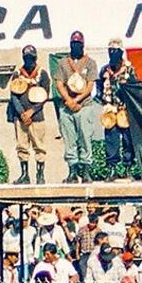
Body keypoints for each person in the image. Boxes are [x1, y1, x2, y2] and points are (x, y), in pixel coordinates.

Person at [54, 32, 101, 183]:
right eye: (74, 43)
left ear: (83, 45)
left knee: (85, 138)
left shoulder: (90, 63)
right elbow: (59, 84)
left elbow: (90, 86)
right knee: (69, 139)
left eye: (78, 44)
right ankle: (72, 171)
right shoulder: (63, 63)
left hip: (84, 105)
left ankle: (86, 170)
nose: (76, 46)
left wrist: (77, 100)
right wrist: (68, 100)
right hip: (66, 106)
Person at [10, 44, 53, 185]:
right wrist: (22, 113)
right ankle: (24, 174)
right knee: (22, 146)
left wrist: (32, 111)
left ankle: (40, 174)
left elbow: (45, 95)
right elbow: (13, 96)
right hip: (20, 117)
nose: (29, 61)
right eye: (27, 58)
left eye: (31, 58)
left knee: (39, 145)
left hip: (37, 116)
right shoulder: (17, 74)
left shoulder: (42, 74)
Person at [98, 40, 136, 181]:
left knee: (127, 140)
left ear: (121, 52)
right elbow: (99, 88)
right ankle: (112, 169)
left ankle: (128, 168)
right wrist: (104, 102)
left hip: (125, 110)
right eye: (110, 51)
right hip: (110, 109)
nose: (113, 53)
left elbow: (136, 88)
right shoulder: (104, 70)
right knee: (111, 139)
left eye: (116, 51)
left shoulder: (129, 70)